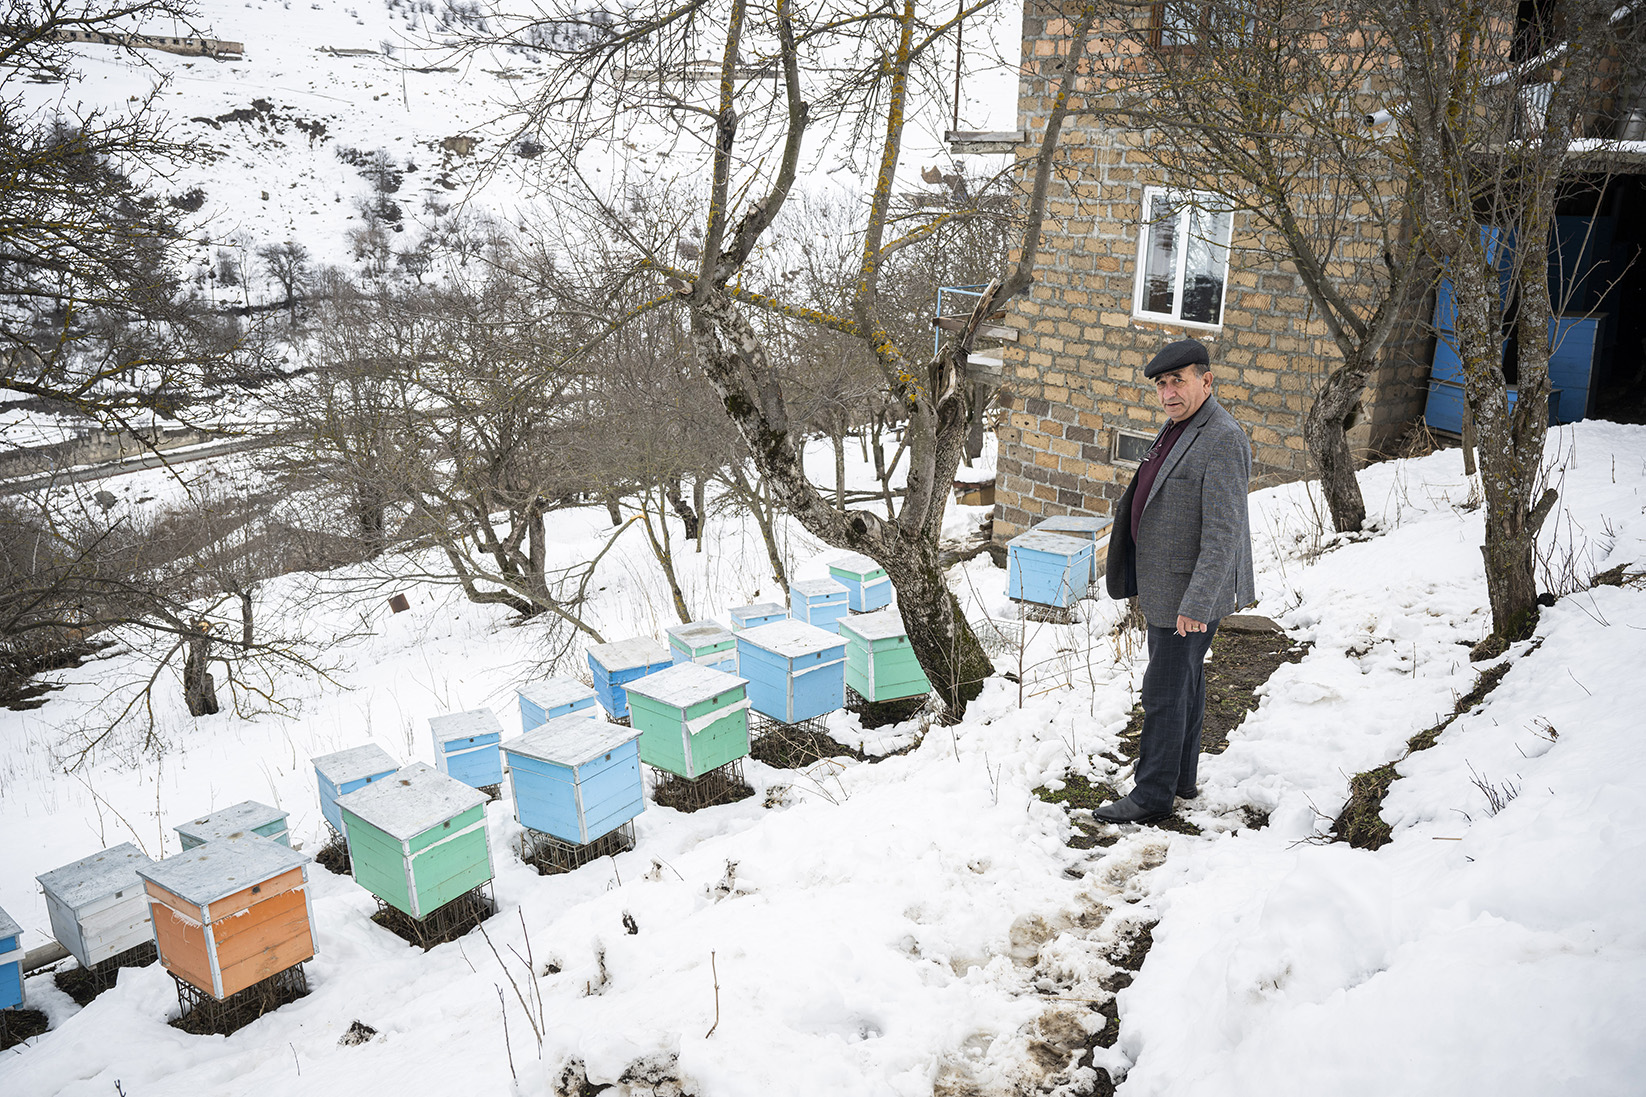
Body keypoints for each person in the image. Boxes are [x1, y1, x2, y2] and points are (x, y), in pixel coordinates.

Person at [1098, 337, 1254, 824]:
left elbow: (1224, 530)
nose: (1168, 392)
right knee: (1183, 682)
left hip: (1188, 593)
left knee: (1164, 690)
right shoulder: (1179, 426)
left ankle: (1152, 796)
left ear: (1206, 381)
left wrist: (1197, 602)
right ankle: (1181, 777)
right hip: (1169, 586)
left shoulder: (1223, 437)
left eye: (1178, 381)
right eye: (1162, 384)